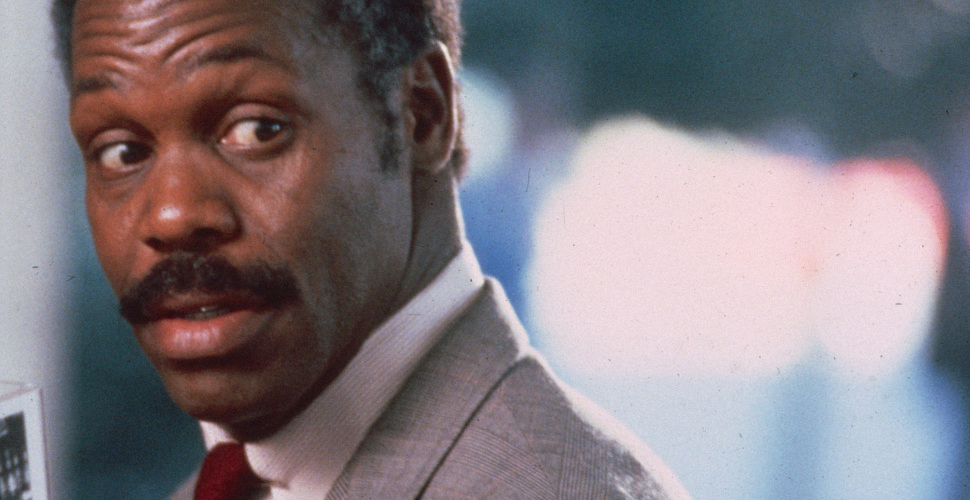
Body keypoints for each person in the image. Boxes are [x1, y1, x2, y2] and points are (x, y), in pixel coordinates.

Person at [54, 0, 691, 498]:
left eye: (257, 129)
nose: (171, 215)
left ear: (422, 114)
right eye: (123, 151)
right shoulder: (234, 476)